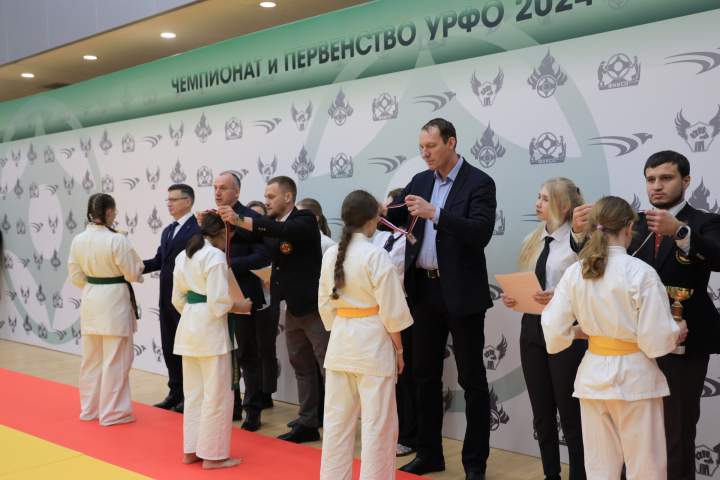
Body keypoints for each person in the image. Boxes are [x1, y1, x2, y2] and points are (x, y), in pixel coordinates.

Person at [571, 151, 720, 480]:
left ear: (686, 181)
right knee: (633, 436)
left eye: (666, 178)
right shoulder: (631, 222)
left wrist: (679, 232)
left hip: (682, 340)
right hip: (630, 346)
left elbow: (717, 256)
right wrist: (581, 233)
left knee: (677, 429)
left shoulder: (704, 221)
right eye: (651, 179)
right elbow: (596, 260)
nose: (657, 185)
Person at [543, 196, 688, 479]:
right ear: (629, 228)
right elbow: (656, 341)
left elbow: (554, 331)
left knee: (600, 464)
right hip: (634, 376)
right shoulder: (641, 272)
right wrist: (676, 331)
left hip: (593, 374)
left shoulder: (576, 271)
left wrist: (579, 331)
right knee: (645, 465)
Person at [385, 118, 497, 480]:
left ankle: (474, 465)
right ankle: (429, 453)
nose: (425, 153)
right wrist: (380, 212)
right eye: (421, 147)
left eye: (431, 146)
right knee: (424, 376)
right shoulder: (420, 181)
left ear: (451, 142)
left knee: (472, 380)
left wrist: (436, 213)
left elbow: (480, 232)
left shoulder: (479, 181)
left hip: (462, 293)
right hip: (423, 291)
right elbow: (398, 214)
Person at [210, 175, 331, 444]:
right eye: (265, 196)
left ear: (288, 197)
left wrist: (240, 218)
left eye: (271, 197)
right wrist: (215, 225)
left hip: (314, 310)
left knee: (329, 370)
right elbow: (246, 236)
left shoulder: (304, 218)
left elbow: (281, 230)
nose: (266, 202)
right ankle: (308, 422)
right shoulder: (273, 226)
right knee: (303, 369)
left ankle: (337, 424)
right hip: (292, 310)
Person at [318, 190, 413, 480]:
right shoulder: (375, 254)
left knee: (336, 422)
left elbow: (325, 304)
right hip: (372, 343)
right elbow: (392, 311)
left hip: (341, 340)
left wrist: (344, 327)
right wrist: (399, 351)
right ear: (372, 220)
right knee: (378, 426)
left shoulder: (331, 253)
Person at [499, 178, 587, 480]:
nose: (538, 204)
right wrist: (514, 297)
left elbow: (589, 289)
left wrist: (560, 297)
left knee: (570, 413)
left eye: (545, 199)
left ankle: (579, 475)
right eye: (538, 197)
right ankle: (551, 475)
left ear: (565, 205)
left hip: (566, 330)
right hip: (531, 328)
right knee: (542, 412)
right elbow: (531, 284)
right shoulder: (533, 238)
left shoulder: (580, 241)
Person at [172, 211, 251, 470]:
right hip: (211, 332)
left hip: (189, 327)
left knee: (194, 394)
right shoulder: (214, 255)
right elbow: (219, 303)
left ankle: (191, 451)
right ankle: (214, 456)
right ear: (222, 233)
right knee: (217, 394)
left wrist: (195, 313)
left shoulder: (184, 255)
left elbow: (177, 299)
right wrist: (240, 306)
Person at [68, 193, 145, 426]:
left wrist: (96, 284)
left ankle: (90, 410)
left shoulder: (78, 239)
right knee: (116, 359)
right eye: (115, 212)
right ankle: (114, 413)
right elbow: (133, 273)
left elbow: (76, 276)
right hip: (114, 301)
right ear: (109, 212)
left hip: (92, 299)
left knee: (91, 359)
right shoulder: (117, 240)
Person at [213, 172, 271, 431]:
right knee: (226, 354)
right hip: (217, 295)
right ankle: (233, 406)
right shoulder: (212, 217)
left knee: (247, 354)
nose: (218, 193)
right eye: (215, 188)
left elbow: (263, 257)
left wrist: (226, 265)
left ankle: (253, 410)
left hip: (243, 294)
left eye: (223, 188)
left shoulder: (252, 218)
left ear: (236, 192)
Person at [143, 184, 200, 413]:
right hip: (166, 300)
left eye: (174, 199)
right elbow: (160, 260)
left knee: (187, 351)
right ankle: (175, 393)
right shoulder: (168, 230)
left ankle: (190, 396)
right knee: (170, 348)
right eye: (168, 200)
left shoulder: (197, 229)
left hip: (185, 299)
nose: (169, 204)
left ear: (188, 202)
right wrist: (136, 266)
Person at [374, 187, 418, 458]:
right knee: (389, 375)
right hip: (379, 312)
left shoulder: (412, 237)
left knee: (406, 375)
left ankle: (410, 435)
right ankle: (391, 431)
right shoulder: (380, 237)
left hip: (405, 309)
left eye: (392, 208)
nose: (386, 214)